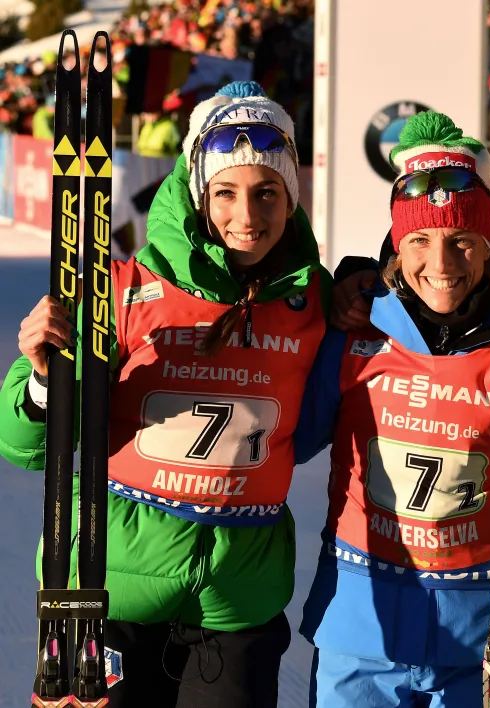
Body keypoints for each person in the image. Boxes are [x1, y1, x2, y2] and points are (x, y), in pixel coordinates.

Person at [0, 81, 330, 707]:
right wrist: (43, 378)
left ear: (292, 198)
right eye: (225, 192)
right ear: (195, 192)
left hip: (237, 599)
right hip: (110, 582)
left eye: (268, 193)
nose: (248, 216)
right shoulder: (120, 290)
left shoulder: (314, 299)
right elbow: (22, 447)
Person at [295, 111, 490, 708]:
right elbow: (291, 439)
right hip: (361, 629)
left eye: (462, 240)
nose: (442, 262)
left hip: (481, 637)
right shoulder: (356, 332)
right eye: (420, 241)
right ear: (395, 246)